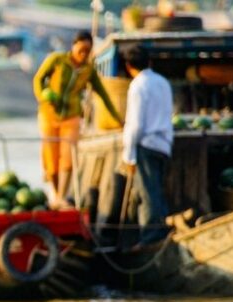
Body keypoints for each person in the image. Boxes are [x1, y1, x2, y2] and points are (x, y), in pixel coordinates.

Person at [34, 31, 123, 207]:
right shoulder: (57, 60)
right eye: (81, 49)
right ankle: (54, 192)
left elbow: (103, 96)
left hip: (72, 116)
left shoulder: (88, 71)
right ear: (74, 46)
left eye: (87, 51)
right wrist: (43, 96)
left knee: (68, 158)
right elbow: (38, 79)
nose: (83, 54)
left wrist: (119, 119)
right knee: (51, 160)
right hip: (49, 113)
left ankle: (60, 196)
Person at [121, 45, 173, 247]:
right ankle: (158, 232)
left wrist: (129, 155)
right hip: (163, 145)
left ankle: (152, 239)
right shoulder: (163, 82)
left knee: (148, 193)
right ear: (149, 62)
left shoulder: (138, 85)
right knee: (156, 189)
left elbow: (135, 124)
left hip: (147, 144)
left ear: (128, 66)